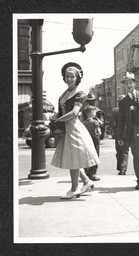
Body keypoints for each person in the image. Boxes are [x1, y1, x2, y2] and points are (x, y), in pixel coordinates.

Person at [50, 62, 99, 199]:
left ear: (77, 78)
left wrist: (59, 120)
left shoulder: (80, 94)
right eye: (67, 76)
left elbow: (74, 112)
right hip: (67, 128)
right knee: (73, 157)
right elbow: (62, 112)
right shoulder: (63, 94)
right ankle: (86, 181)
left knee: (73, 159)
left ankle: (74, 189)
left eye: (72, 76)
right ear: (64, 78)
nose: (69, 79)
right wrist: (57, 118)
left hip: (74, 127)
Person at [80, 93, 105, 181]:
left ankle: (93, 173)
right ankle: (88, 172)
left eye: (92, 101)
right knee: (88, 154)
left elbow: (102, 123)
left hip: (95, 136)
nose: (91, 102)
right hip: (87, 135)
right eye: (89, 101)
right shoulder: (83, 111)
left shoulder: (98, 111)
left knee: (95, 154)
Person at [111, 95, 129, 175]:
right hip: (126, 134)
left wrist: (116, 130)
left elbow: (112, 123)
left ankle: (120, 168)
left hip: (118, 134)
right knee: (125, 151)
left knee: (119, 151)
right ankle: (123, 169)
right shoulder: (128, 110)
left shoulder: (115, 110)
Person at [82, 105, 101, 180]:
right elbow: (99, 132)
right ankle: (93, 173)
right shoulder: (95, 122)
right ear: (91, 113)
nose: (95, 113)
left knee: (88, 156)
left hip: (87, 140)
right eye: (94, 111)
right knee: (95, 156)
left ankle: (87, 171)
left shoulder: (84, 122)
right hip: (95, 140)